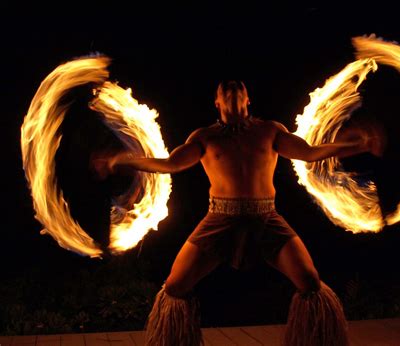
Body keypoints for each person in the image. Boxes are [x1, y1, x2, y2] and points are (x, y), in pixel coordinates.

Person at [93, 80, 385, 346]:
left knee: (310, 281)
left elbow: (309, 153)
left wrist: (354, 144)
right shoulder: (205, 137)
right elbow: (170, 164)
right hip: (220, 219)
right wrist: (123, 159)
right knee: (175, 285)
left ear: (248, 100)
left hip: (267, 219)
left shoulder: (270, 130)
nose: (232, 92)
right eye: (224, 90)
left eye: (239, 89)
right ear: (217, 102)